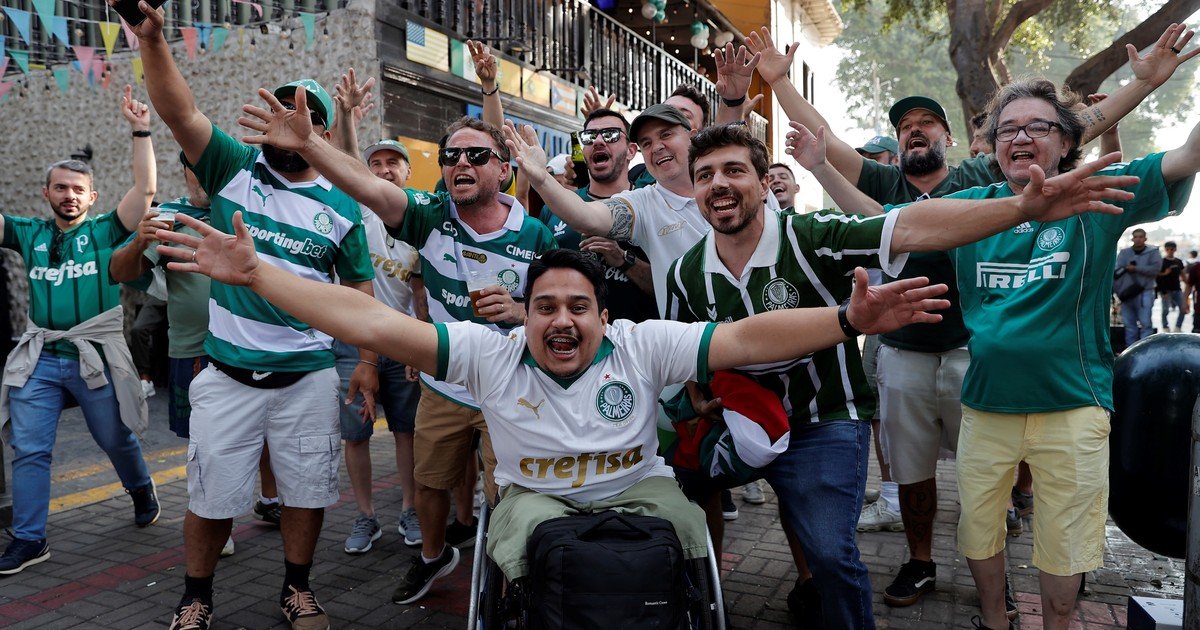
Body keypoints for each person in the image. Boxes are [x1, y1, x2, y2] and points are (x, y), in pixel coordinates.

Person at [158, 217, 951, 580]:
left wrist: (847, 320)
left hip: (639, 491)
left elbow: (746, 339)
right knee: (542, 574)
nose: (563, 321)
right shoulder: (488, 354)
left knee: (688, 565)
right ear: (524, 314)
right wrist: (261, 274)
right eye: (546, 308)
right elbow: (371, 318)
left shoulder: (642, 345)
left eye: (578, 307)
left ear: (605, 316)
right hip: (534, 501)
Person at [236, 77, 558, 604]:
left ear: (504, 168)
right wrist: (309, 142)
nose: (461, 164)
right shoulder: (429, 217)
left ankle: (508, 576)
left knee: (511, 494)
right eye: (451, 156)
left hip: (511, 385)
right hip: (446, 382)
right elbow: (367, 188)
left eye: (476, 156)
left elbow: (559, 308)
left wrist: (524, 311)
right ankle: (434, 557)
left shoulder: (536, 235)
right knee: (429, 484)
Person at [128, 4, 379, 629]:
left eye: (305, 112)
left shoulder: (343, 202)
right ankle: (196, 594)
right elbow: (179, 112)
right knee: (212, 498)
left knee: (307, 492)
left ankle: (297, 589)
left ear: (318, 127)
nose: (290, 119)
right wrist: (153, 41)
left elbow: (361, 286)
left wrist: (368, 363)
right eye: (282, 107)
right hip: (228, 374)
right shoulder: (235, 168)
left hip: (309, 378)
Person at [937, 77, 1196, 630]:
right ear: (990, 144)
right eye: (1008, 129)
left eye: (1038, 126)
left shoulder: (1094, 194)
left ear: (1065, 143)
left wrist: (1151, 81)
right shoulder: (966, 209)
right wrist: (818, 166)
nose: (1021, 136)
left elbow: (1188, 154)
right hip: (986, 404)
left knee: (1066, 543)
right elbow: (883, 221)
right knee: (977, 529)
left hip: (1074, 403)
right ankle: (993, 619)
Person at [0, 85, 159, 575]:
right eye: (60, 188)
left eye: (77, 189)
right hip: (41, 358)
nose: (69, 195)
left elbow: (146, 191)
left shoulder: (109, 229)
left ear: (92, 196)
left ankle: (140, 488)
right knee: (29, 449)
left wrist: (140, 129)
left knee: (115, 438)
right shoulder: (28, 233)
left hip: (95, 356)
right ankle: (30, 538)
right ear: (46, 193)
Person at [326, 70, 425, 555]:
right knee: (356, 433)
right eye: (376, 163)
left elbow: (422, 291)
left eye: (393, 163)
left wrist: (420, 340)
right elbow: (346, 161)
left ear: (408, 172)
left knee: (407, 432)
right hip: (351, 342)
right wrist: (345, 114)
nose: (384, 170)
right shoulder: (360, 212)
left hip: (402, 342)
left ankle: (409, 508)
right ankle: (365, 517)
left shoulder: (420, 222)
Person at [539, 109, 656, 323]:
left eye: (610, 134)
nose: (599, 141)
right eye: (590, 136)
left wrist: (622, 258)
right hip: (570, 344)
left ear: (631, 151)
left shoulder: (653, 206)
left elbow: (670, 291)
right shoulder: (556, 208)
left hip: (635, 347)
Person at [1116, 228, 1162, 344]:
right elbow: (1117, 271)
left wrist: (1136, 268)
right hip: (1127, 292)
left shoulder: (1153, 252)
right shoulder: (1124, 253)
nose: (1138, 239)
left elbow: (1155, 270)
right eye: (1136, 236)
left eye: (1141, 236)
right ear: (1132, 238)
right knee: (1129, 324)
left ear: (1145, 238)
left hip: (1145, 292)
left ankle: (1145, 350)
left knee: (1146, 323)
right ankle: (1129, 351)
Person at [1157, 240, 1186, 332]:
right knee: (1165, 310)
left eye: (1172, 249)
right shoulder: (1162, 262)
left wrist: (1188, 284)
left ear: (1175, 249)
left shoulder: (1178, 261)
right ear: (1165, 250)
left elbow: (1183, 274)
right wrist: (1164, 274)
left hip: (1177, 288)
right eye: (1168, 249)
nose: (1170, 251)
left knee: (1183, 308)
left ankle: (1178, 326)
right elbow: (1156, 276)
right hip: (1165, 290)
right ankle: (1165, 326)